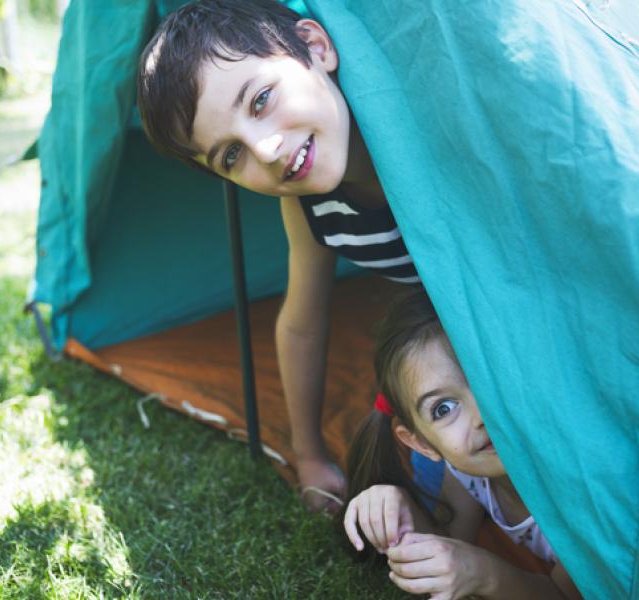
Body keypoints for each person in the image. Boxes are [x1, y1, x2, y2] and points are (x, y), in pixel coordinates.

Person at [137, 0, 418, 511]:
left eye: (261, 99)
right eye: (230, 154)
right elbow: (301, 324)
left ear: (317, 47)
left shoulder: (418, 135)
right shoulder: (306, 205)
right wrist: (308, 453)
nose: (265, 151)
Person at [342, 290, 581, 599]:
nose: (483, 417)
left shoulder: (580, 490)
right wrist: (401, 512)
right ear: (422, 444)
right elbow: (451, 542)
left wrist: (485, 575)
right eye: (443, 408)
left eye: (490, 380)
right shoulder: (468, 473)